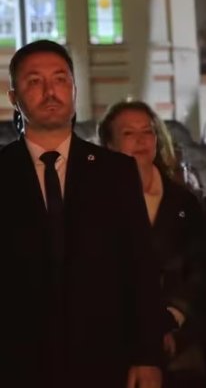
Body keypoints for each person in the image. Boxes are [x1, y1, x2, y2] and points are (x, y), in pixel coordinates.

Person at [0, 40, 163, 387]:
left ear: (74, 89)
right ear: (14, 97)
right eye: (34, 82)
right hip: (17, 358)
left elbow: (140, 267)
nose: (49, 91)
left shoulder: (114, 171)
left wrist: (147, 355)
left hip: (103, 356)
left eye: (60, 79)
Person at [98, 100, 206, 388]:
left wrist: (172, 318)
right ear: (108, 144)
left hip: (181, 344)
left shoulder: (183, 201)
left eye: (147, 132)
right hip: (115, 344)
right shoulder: (93, 203)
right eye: (128, 133)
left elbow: (201, 265)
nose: (141, 140)